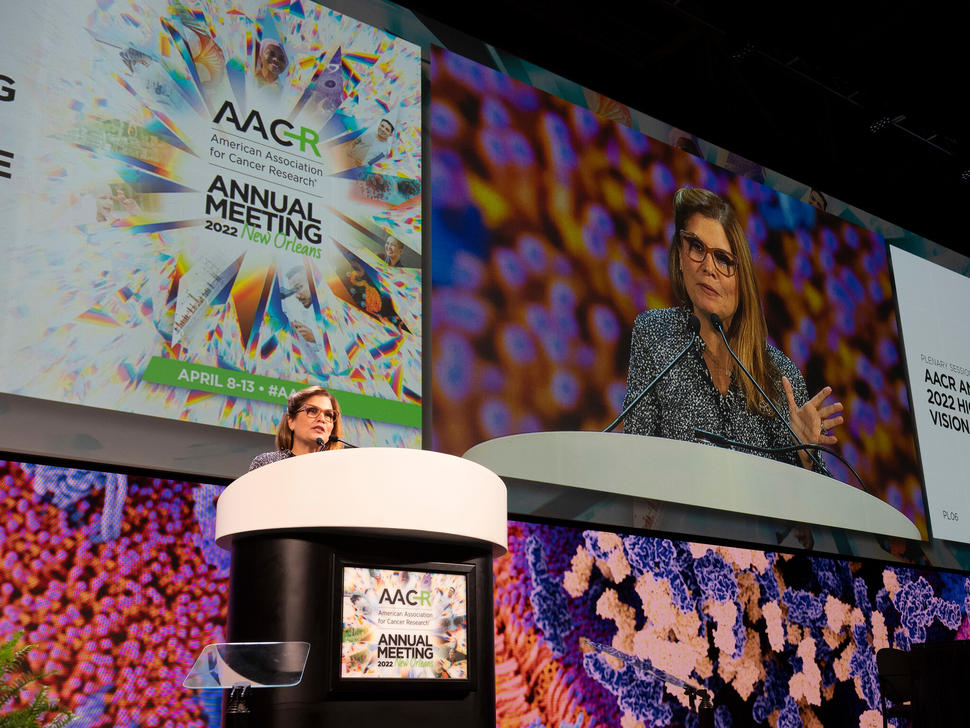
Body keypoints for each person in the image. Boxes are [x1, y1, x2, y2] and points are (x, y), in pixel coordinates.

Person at [622, 187, 844, 471]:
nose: (708, 268)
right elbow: (635, 454)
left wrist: (806, 459)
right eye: (697, 248)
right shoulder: (654, 332)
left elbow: (812, 501)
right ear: (679, 256)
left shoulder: (780, 376)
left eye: (724, 259)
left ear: (743, 280)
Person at [249, 385, 344, 470]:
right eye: (312, 411)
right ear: (291, 421)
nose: (322, 419)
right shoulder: (267, 464)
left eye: (328, 415)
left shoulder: (337, 472)